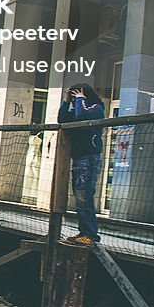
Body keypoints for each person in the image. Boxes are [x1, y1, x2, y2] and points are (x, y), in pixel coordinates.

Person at [57, 83, 106, 245]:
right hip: (78, 158)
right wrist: (66, 101)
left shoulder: (96, 108)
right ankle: (84, 232)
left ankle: (90, 235)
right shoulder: (77, 107)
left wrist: (80, 99)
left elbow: (82, 116)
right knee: (80, 198)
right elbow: (63, 120)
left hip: (89, 158)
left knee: (84, 197)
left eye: (76, 94)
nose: (74, 98)